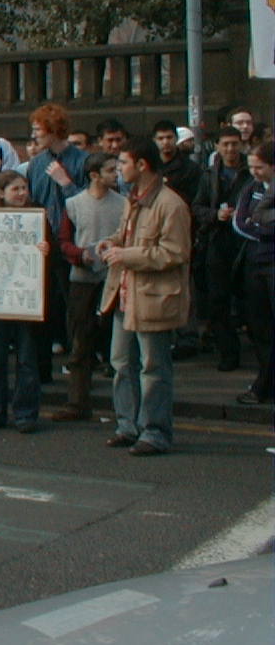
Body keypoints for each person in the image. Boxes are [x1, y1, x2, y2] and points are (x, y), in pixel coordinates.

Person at [97, 138, 192, 456]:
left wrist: (127, 254)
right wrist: (109, 244)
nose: (119, 169)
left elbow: (175, 252)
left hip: (154, 297)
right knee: (121, 363)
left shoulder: (171, 204)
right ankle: (128, 426)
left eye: (123, 162)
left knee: (153, 368)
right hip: (124, 295)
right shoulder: (132, 200)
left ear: (142, 165)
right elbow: (124, 236)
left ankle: (155, 432)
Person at [0, 170, 49, 433]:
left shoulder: (38, 217)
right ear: (0, 193)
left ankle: (25, 414)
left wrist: (45, 250)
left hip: (25, 301)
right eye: (15, 189)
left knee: (27, 360)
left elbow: (50, 258)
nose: (21, 194)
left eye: (24, 188)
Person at [54, 152, 123, 421]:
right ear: (94, 175)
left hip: (113, 277)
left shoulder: (123, 204)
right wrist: (79, 254)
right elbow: (63, 240)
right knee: (80, 341)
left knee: (117, 343)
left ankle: (124, 406)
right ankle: (78, 402)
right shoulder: (73, 204)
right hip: (82, 278)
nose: (115, 175)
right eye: (110, 170)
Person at [26, 103, 88, 377]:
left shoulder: (82, 160)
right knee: (43, 305)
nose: (34, 134)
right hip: (42, 242)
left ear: (53, 130)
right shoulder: (36, 164)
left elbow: (88, 203)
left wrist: (66, 183)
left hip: (71, 241)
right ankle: (42, 368)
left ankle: (78, 362)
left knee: (74, 307)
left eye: (38, 129)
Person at [190, 126, 251, 372]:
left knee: (250, 301)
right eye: (225, 144)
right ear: (217, 146)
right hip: (218, 241)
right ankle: (228, 352)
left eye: (234, 144)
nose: (230, 149)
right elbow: (198, 207)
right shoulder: (209, 175)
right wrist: (216, 215)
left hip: (246, 242)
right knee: (218, 301)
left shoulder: (251, 172)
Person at [231, 140, 273, 405]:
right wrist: (262, 228)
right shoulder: (251, 188)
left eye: (259, 167)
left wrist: (257, 223)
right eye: (251, 167)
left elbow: (252, 221)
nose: (254, 172)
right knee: (260, 328)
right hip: (254, 265)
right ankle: (266, 381)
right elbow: (240, 222)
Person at [151, 119, 202, 204]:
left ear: (177, 138)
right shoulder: (149, 166)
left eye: (169, 137)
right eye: (161, 138)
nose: (165, 142)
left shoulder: (191, 168)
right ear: (154, 140)